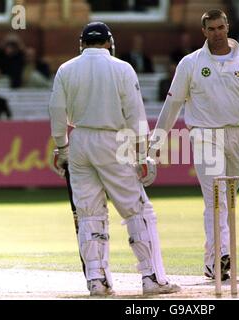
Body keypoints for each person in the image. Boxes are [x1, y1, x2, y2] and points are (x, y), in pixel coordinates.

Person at [148, 10, 239, 281]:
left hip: (237, 135)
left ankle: (215, 260)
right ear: (204, 32)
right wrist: (156, 142)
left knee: (228, 200)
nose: (218, 33)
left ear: (228, 26)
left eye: (221, 27)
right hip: (204, 134)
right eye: (212, 29)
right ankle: (221, 256)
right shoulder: (191, 63)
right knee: (216, 198)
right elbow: (173, 104)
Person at [48, 22, 180, 296]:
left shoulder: (66, 69)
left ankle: (97, 280)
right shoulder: (122, 68)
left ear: (82, 44)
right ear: (109, 43)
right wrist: (142, 154)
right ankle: (151, 277)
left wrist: (62, 148)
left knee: (89, 212)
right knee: (137, 209)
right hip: (114, 140)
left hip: (81, 139)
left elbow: (57, 112)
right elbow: (135, 114)